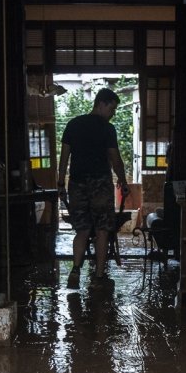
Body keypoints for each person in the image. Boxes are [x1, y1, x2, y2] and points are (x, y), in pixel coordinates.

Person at [57, 87, 129, 288]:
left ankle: (75, 270)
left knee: (81, 229)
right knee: (102, 230)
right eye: (112, 108)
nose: (113, 113)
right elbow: (115, 159)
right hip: (100, 184)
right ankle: (98, 277)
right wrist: (122, 181)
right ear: (102, 103)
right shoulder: (107, 129)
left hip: (77, 184)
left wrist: (61, 182)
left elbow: (64, 158)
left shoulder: (73, 125)